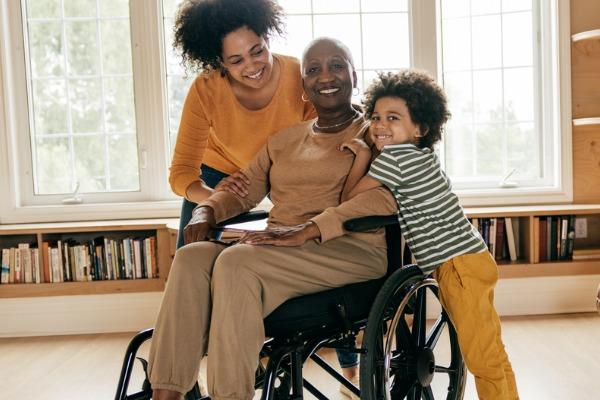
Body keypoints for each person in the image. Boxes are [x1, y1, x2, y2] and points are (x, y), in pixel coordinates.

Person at [148, 37, 397, 400]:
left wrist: (310, 229)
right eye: (313, 70)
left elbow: (383, 199)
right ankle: (166, 392)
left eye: (337, 65)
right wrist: (207, 209)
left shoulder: (378, 134)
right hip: (281, 248)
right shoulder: (283, 141)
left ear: (354, 76)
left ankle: (230, 395)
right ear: (304, 86)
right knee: (191, 257)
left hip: (351, 248)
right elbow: (241, 190)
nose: (326, 76)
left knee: (237, 262)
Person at [340, 70, 519, 399]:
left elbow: (350, 195)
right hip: (473, 257)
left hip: (457, 266)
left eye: (393, 118)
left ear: (420, 128)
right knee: (491, 351)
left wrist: (362, 153)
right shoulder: (422, 156)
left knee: (481, 357)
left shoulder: (394, 158)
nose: (380, 125)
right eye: (375, 117)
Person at [169, 0, 316, 249]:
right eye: (236, 60)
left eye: (257, 51)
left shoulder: (300, 76)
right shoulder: (205, 89)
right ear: (220, 61)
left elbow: (323, 144)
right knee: (190, 248)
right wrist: (214, 197)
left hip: (280, 169)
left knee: (298, 243)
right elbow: (181, 173)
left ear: (267, 38)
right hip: (221, 173)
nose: (252, 66)